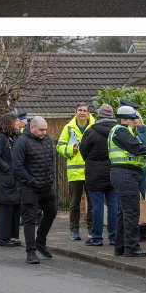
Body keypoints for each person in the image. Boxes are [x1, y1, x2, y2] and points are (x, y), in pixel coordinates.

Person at [108, 104, 146, 257]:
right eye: (132, 119)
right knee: (132, 212)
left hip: (124, 174)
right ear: (124, 119)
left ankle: (121, 247)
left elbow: (137, 151)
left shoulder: (124, 132)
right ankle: (132, 248)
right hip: (125, 174)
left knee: (123, 212)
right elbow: (136, 148)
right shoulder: (121, 131)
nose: (135, 122)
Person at [12, 115, 58, 265]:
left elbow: (51, 160)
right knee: (30, 219)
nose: (44, 132)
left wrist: (50, 178)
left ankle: (40, 241)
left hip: (45, 185)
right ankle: (30, 252)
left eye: (45, 129)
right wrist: (30, 181)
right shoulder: (22, 142)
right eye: (41, 130)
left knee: (52, 211)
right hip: (29, 187)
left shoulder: (47, 140)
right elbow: (17, 167)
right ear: (32, 128)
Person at [78, 103, 119, 246]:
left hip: (94, 173)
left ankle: (96, 237)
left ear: (98, 115)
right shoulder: (118, 131)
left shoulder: (90, 131)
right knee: (114, 205)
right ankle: (114, 237)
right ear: (112, 116)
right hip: (114, 172)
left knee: (97, 206)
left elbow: (83, 150)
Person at [55, 102, 95, 241]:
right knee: (74, 203)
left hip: (91, 170)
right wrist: (69, 150)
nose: (82, 112)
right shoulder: (68, 128)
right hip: (75, 172)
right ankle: (74, 230)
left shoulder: (94, 126)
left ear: (89, 113)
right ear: (75, 112)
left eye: (85, 110)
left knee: (92, 203)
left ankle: (91, 230)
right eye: (80, 110)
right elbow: (59, 146)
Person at [0, 112, 22, 247]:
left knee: (14, 208)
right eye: (16, 121)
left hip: (11, 179)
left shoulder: (13, 137)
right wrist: (8, 169)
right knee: (5, 209)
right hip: (3, 180)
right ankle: (3, 238)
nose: (19, 123)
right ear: (9, 123)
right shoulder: (1, 138)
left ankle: (10, 237)